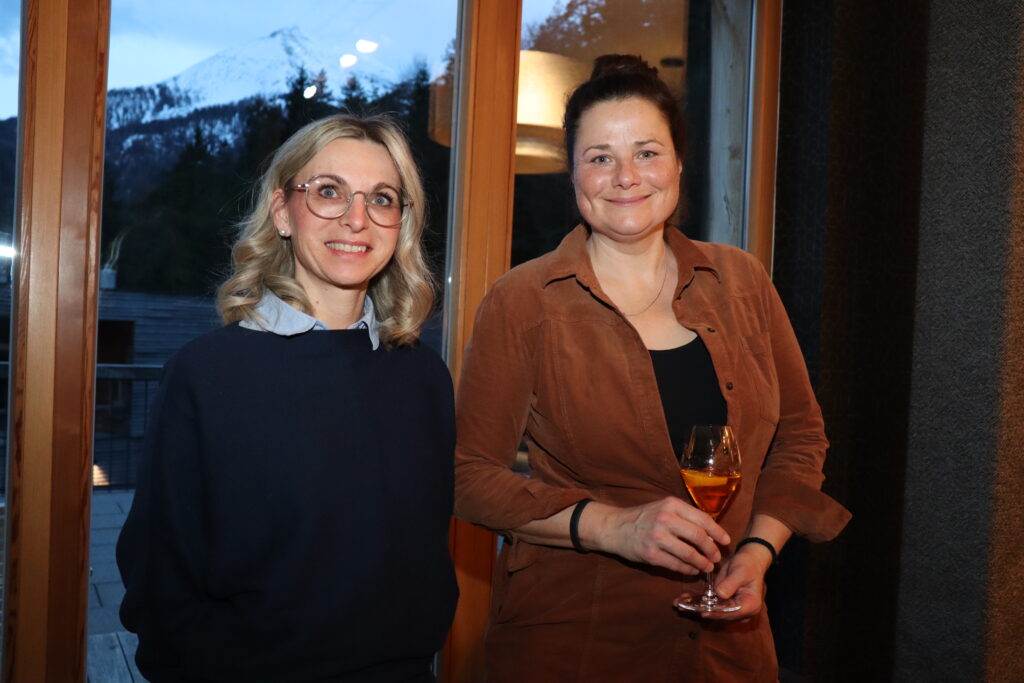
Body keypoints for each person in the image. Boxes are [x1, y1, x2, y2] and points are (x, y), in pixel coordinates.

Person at [454, 55, 851, 682]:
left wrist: (758, 549)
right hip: (575, 639)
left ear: (678, 164)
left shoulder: (741, 279)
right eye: (600, 157)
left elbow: (801, 437)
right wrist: (614, 527)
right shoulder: (522, 300)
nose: (625, 177)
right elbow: (470, 478)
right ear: (574, 174)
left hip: (728, 641)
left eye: (646, 152)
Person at [117, 113, 458, 683]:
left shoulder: (422, 377)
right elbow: (159, 581)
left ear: (401, 223)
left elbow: (420, 558)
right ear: (282, 212)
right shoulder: (204, 375)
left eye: (382, 198)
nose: (356, 218)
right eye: (328, 192)